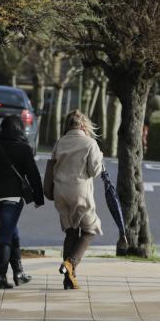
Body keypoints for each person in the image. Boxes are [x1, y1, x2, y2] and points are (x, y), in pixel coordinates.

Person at [0, 115, 44, 289]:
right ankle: (0, 277)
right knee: (5, 237)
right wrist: (38, 198)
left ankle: (19, 273)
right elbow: (34, 175)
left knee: (12, 233)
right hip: (13, 198)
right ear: (20, 129)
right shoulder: (23, 148)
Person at [51, 110, 104, 289]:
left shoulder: (60, 142)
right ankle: (71, 263)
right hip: (80, 192)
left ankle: (69, 280)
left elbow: (53, 164)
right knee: (90, 230)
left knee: (71, 233)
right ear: (83, 126)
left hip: (60, 192)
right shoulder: (90, 143)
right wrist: (100, 157)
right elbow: (94, 171)